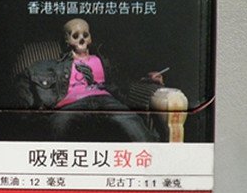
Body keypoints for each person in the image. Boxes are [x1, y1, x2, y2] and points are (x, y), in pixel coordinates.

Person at [16, 18, 164, 142]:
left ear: (90, 38)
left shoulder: (103, 61)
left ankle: (152, 157)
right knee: (58, 125)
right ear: (67, 40)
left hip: (106, 100)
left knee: (131, 121)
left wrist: (147, 78)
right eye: (75, 36)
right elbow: (27, 75)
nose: (81, 40)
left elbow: (124, 80)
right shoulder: (56, 65)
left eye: (85, 35)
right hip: (72, 103)